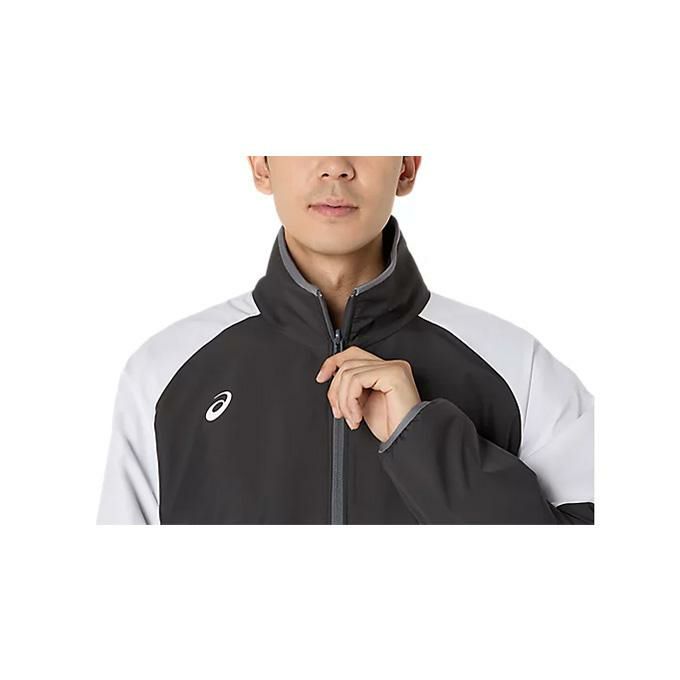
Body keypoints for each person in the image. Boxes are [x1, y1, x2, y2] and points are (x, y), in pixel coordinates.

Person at [96, 156, 594, 525]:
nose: (335, 165)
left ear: (407, 167)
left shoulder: (518, 369)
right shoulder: (163, 375)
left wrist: (425, 444)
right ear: (262, 166)